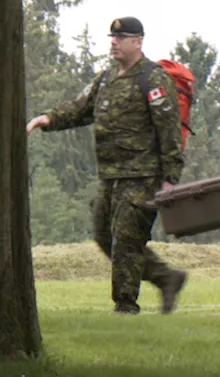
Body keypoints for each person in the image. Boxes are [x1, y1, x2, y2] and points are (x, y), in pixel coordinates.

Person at [26, 17, 188, 315]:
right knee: (104, 236)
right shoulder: (106, 79)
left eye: (121, 37)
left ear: (137, 41)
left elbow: (169, 131)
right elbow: (80, 109)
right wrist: (46, 119)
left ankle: (125, 306)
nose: (114, 42)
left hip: (142, 176)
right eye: (112, 37)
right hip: (110, 176)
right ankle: (167, 278)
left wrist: (170, 177)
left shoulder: (153, 79)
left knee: (127, 241)